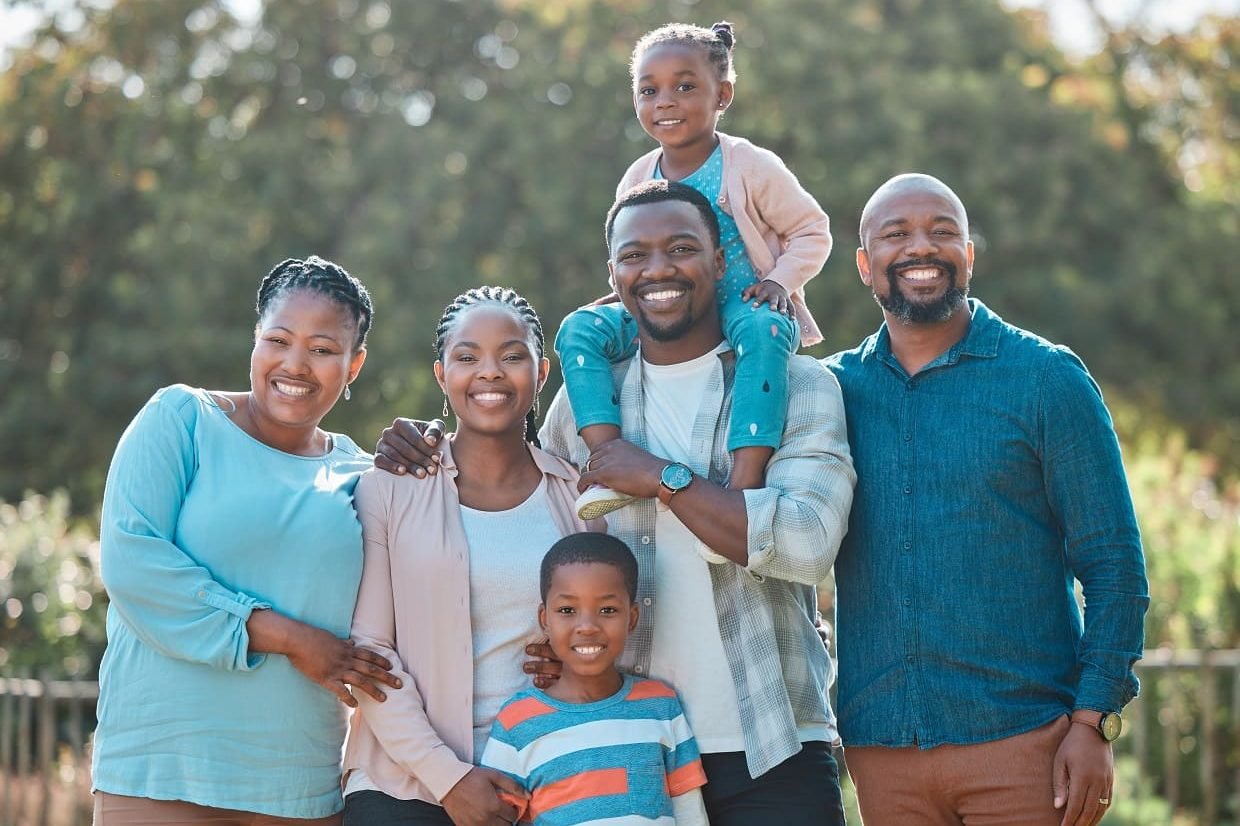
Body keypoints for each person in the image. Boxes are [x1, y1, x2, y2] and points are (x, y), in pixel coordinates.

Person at [376, 181, 856, 825]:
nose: (657, 269)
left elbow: (805, 543)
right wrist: (427, 441)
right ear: (613, 276)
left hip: (769, 743)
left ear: (719, 263)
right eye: (635, 255)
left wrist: (665, 479)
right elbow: (537, 524)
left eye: (680, 248)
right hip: (615, 746)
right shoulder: (583, 404)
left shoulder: (800, 386)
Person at [824, 173, 1149, 826]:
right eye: (896, 235)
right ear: (865, 265)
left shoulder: (1047, 380)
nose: (921, 247)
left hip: (1027, 745)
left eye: (943, 232)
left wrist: (1095, 719)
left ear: (969, 255)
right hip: (883, 750)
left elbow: (1114, 565)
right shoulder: (829, 393)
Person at [92, 256, 401, 825]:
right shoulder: (181, 419)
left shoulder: (365, 479)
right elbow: (132, 563)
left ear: (354, 365)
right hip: (161, 770)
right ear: (254, 340)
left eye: (323, 349)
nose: (295, 364)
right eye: (278, 340)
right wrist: (288, 636)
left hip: (298, 781)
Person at [342, 287, 601, 826]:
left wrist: (571, 660)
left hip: (539, 781)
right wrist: (448, 777)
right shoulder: (387, 489)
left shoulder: (578, 500)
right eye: (467, 357)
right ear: (441, 374)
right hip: (402, 785)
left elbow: (596, 630)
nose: (490, 373)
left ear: (542, 372)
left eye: (512, 356)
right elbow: (370, 653)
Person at [557, 20, 832, 520]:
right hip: (665, 312)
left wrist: (778, 283)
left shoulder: (747, 164)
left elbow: (813, 231)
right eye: (649, 90)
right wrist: (620, 294)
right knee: (577, 329)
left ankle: (744, 480)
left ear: (722, 95)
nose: (665, 101)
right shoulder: (639, 176)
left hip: (745, 303)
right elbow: (631, 250)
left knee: (767, 331)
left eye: (685, 86)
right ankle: (604, 461)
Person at [480, 532, 709, 825]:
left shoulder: (660, 706)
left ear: (632, 618)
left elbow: (689, 809)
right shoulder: (518, 722)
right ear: (544, 619)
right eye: (567, 610)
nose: (587, 626)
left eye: (607, 610)